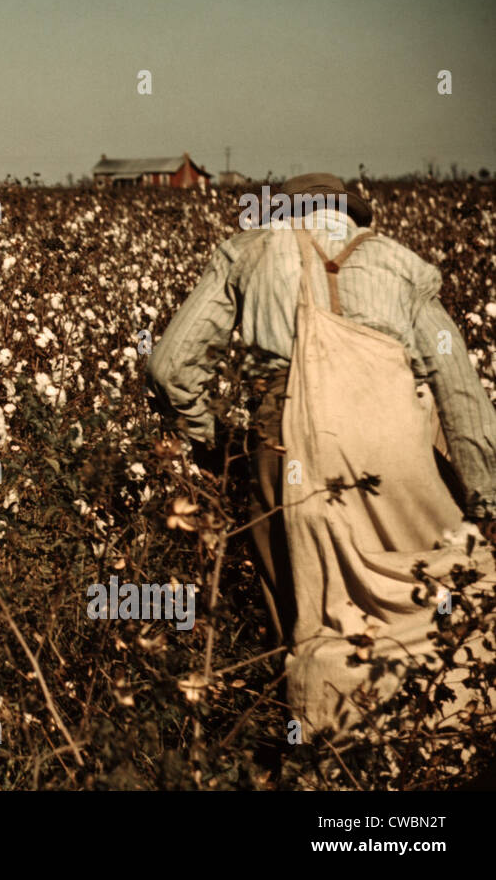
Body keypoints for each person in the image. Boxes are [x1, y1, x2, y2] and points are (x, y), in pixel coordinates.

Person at [148, 172, 496, 736]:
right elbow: (460, 391)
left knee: (307, 610)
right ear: (356, 216)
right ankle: (433, 738)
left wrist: (215, 439)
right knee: (427, 586)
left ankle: (326, 749)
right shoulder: (401, 265)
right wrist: (485, 501)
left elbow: (169, 367)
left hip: (281, 446)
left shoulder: (249, 251)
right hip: (393, 442)